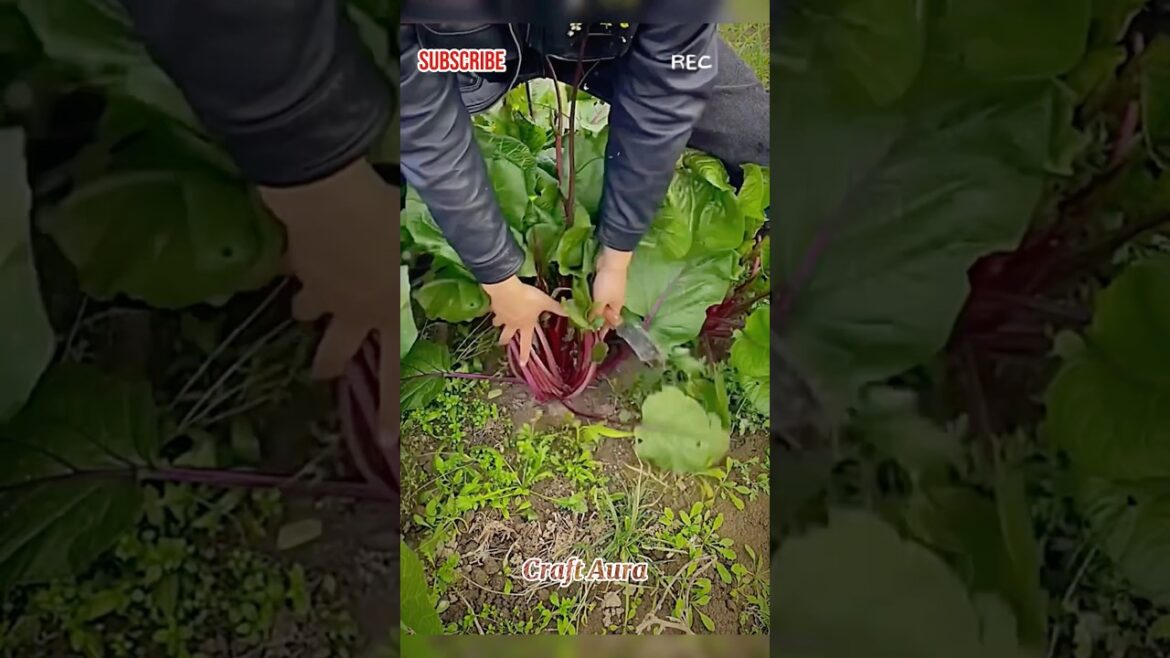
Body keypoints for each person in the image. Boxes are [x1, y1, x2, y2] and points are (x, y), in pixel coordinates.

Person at [113, 3, 768, 408]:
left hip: (608, 40)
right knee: (417, 143)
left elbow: (664, 96)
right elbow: (425, 108)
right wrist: (497, 275)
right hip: (473, 47)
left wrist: (619, 254)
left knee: (749, 123)